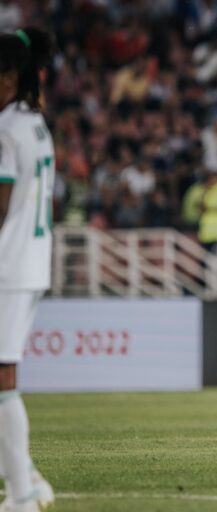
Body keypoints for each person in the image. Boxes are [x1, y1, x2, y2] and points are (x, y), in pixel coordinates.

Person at [0, 27, 57, 512]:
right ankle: (26, 479)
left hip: (8, 263)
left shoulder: (7, 127)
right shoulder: (34, 122)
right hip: (29, 260)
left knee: (3, 377)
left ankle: (21, 493)